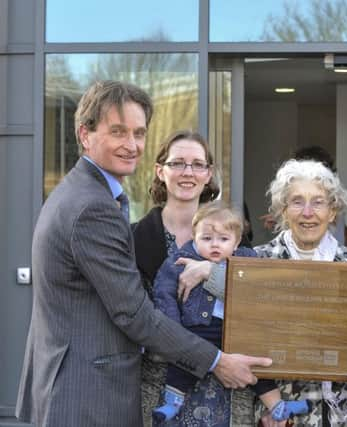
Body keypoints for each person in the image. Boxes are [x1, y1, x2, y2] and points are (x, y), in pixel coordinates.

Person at [15, 80, 272, 427]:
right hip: (86, 395)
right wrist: (217, 361)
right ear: (85, 134)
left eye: (139, 133)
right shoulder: (91, 207)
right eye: (118, 132)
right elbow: (133, 313)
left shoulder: (85, 194)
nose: (131, 144)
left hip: (82, 388)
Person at [151, 201, 310, 425]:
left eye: (223, 239)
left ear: (236, 242)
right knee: (182, 364)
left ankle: (277, 405)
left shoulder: (248, 260)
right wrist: (174, 328)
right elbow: (163, 293)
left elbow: (262, 290)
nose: (215, 245)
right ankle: (171, 403)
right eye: (206, 239)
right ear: (194, 236)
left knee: (256, 367)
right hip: (197, 329)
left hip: (237, 331)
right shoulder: (180, 259)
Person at [253, 159, 347, 426]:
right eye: (297, 201)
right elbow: (246, 342)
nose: (308, 212)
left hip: (346, 414)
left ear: (332, 211)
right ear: (283, 210)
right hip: (281, 415)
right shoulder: (257, 264)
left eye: (318, 202)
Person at [132, 129, 221, 426]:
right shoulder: (132, 239)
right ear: (160, 171)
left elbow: (252, 297)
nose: (188, 172)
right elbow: (138, 318)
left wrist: (214, 272)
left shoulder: (231, 236)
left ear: (208, 174)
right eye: (177, 163)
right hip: (155, 384)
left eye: (198, 165)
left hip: (218, 386)